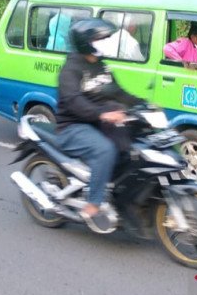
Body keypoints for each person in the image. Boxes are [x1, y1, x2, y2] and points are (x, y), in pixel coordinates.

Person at [55, 18, 146, 233]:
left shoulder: (101, 66)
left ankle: (119, 194)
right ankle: (93, 204)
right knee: (104, 150)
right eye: (101, 38)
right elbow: (75, 103)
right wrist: (104, 114)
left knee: (135, 145)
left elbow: (119, 92)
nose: (105, 41)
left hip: (96, 122)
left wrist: (143, 104)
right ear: (87, 42)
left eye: (106, 38)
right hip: (72, 127)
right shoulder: (71, 69)